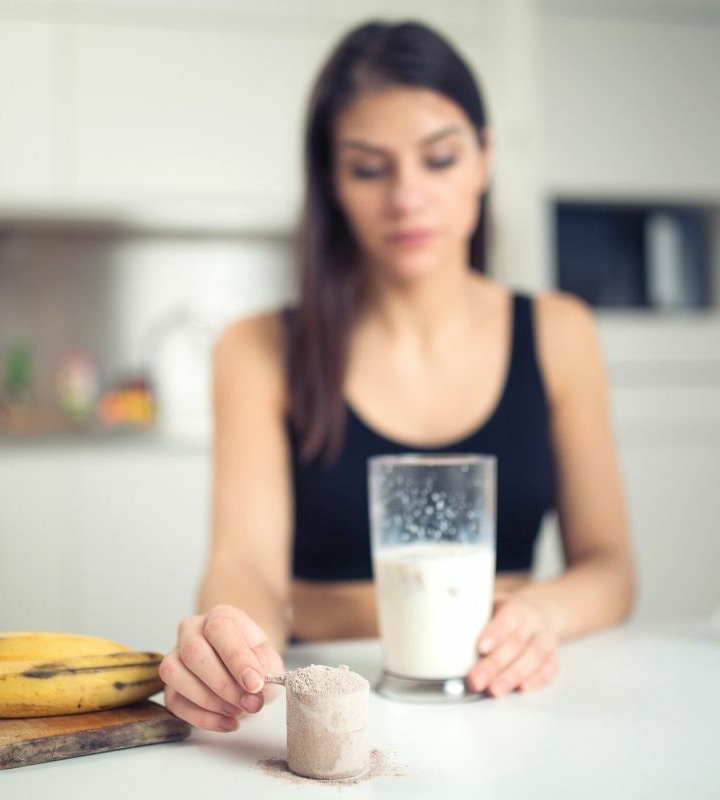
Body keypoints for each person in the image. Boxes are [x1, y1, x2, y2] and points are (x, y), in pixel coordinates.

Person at [158, 20, 635, 733]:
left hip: (508, 703)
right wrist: (236, 646)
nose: (407, 197)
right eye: (370, 168)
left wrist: (542, 615)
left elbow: (610, 566)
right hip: (333, 704)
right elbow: (245, 565)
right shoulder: (256, 349)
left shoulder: (560, 334)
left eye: (439, 159)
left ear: (485, 158)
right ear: (332, 182)